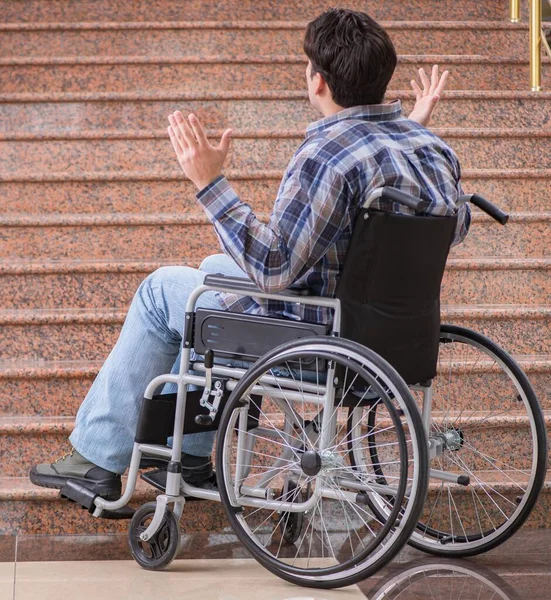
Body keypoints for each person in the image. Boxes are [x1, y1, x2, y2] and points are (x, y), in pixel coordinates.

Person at [30, 8, 470, 500]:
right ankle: (194, 449)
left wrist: (209, 183)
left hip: (318, 336)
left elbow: (274, 268)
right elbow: (452, 230)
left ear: (318, 82)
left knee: (161, 291)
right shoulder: (431, 149)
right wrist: (410, 137)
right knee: (212, 272)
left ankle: (97, 456)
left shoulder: (328, 156)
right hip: (394, 336)